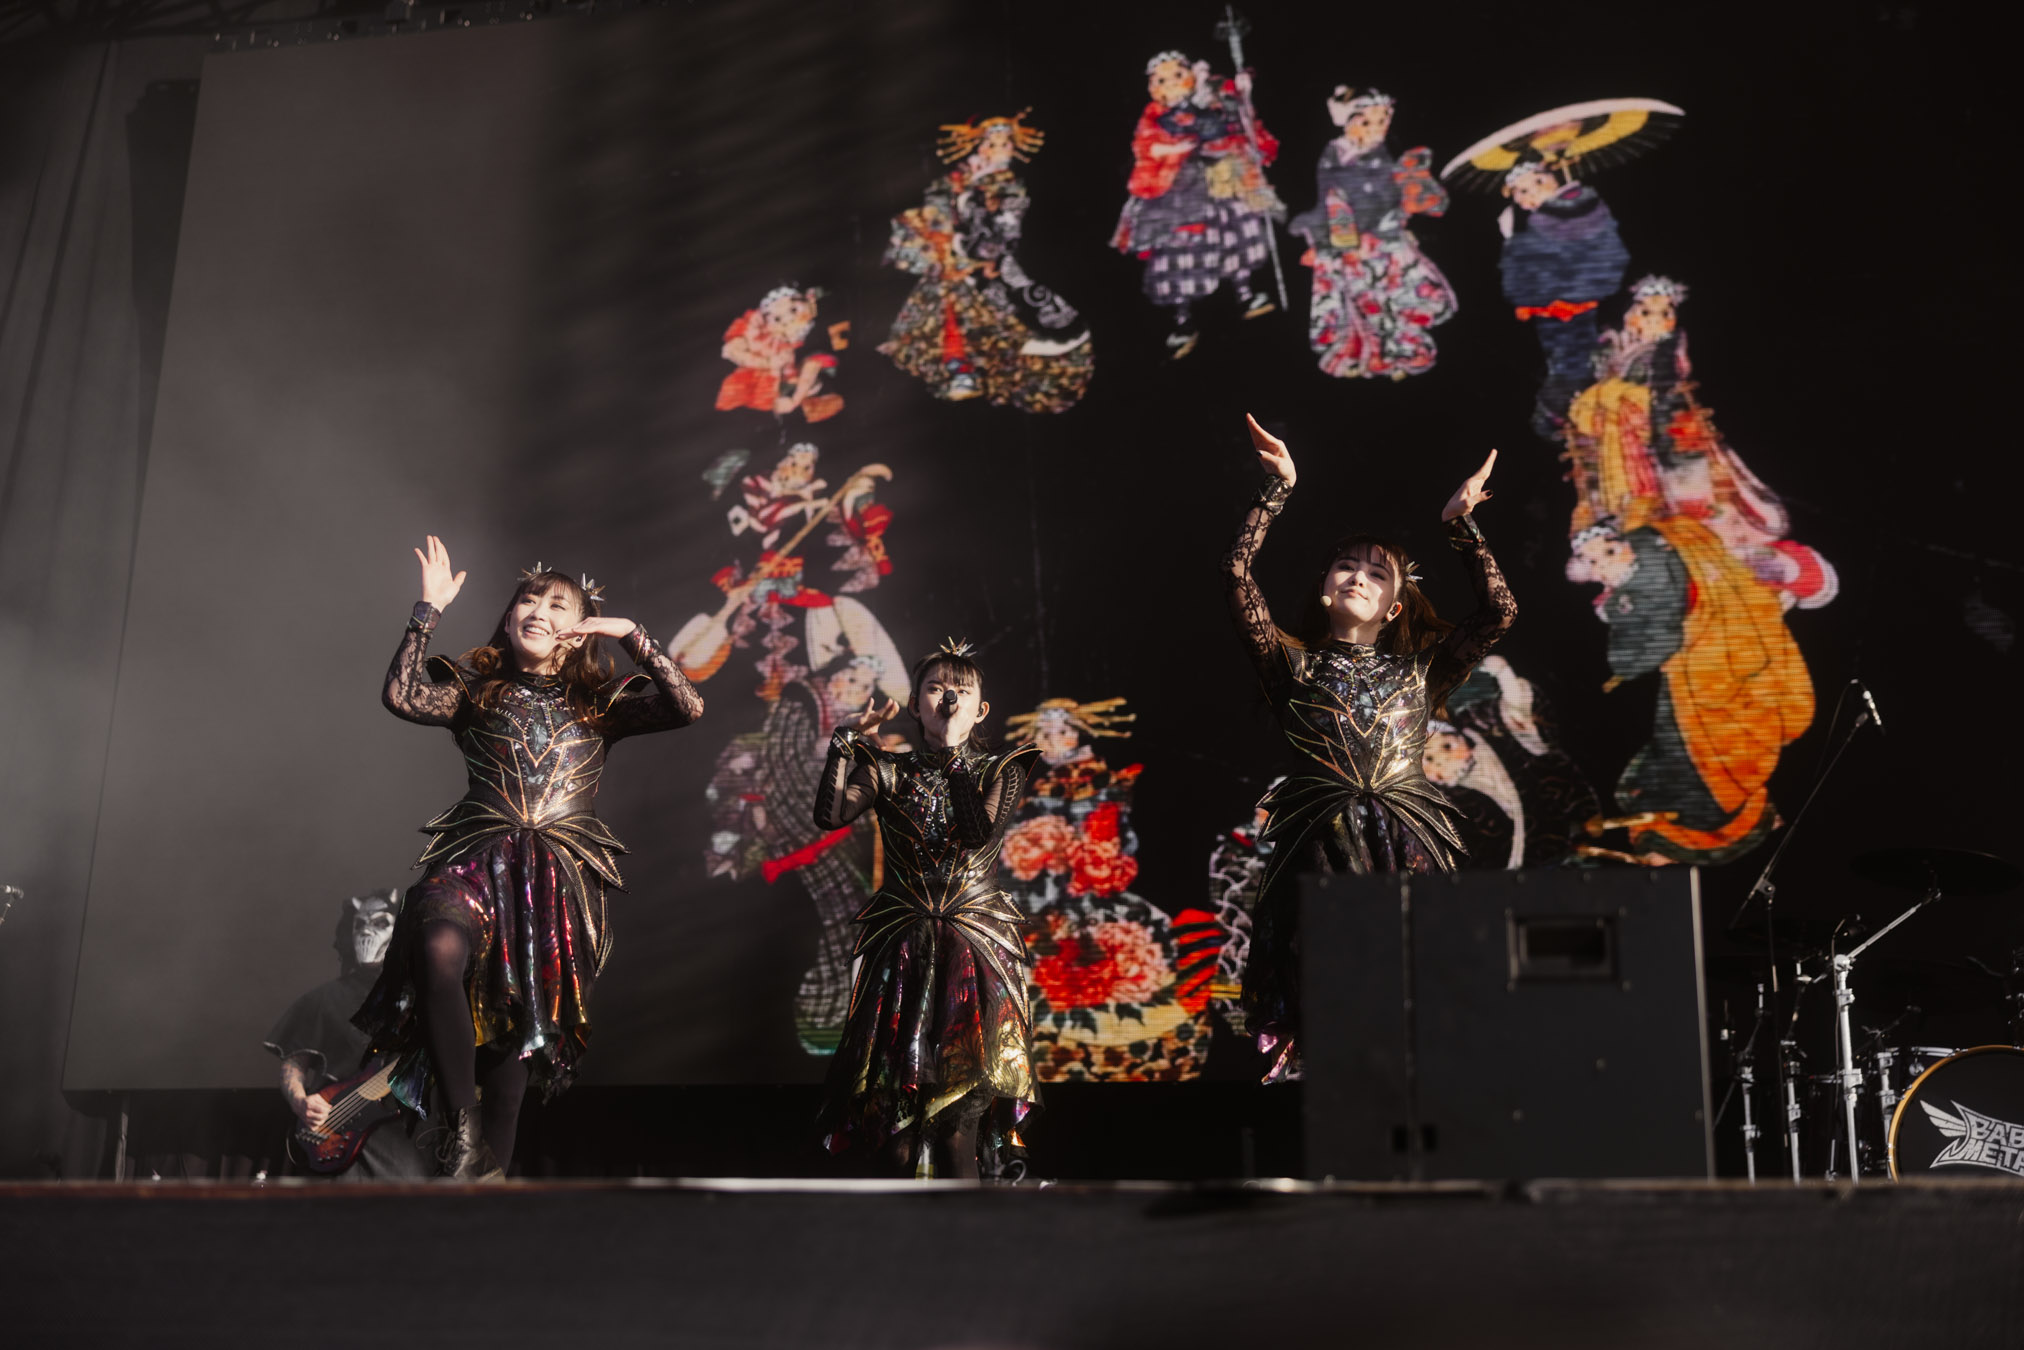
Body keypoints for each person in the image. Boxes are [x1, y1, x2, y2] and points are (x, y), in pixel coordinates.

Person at [354, 538, 704, 1179]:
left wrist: (633, 635)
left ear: (580, 628)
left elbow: (689, 706)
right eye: (528, 600)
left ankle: (482, 1190)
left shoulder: (599, 705)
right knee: (436, 943)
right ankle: (460, 1125)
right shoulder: (477, 691)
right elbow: (402, 696)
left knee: (511, 1068)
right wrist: (427, 611)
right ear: (509, 616)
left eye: (557, 604)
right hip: (473, 858)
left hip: (552, 884)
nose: (538, 610)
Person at [1223, 415, 1515, 1081]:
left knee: (1411, 1013)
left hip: (1404, 848)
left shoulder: (1422, 672)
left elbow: (1499, 612)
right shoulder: (1291, 666)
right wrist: (1277, 489)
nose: (1358, 576)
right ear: (1325, 585)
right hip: (1319, 854)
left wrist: (1461, 526)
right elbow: (1235, 573)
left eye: (1377, 574)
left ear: (1394, 606)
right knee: (1330, 1015)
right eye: (1346, 566)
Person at [811, 642, 1040, 1179]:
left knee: (960, 1120)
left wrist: (956, 752)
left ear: (981, 709)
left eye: (962, 690)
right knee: (896, 1132)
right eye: (936, 688)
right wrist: (844, 741)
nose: (949, 698)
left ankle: (970, 1219)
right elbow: (830, 815)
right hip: (903, 948)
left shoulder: (1000, 769)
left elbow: (976, 833)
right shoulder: (889, 770)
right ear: (915, 704)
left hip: (973, 950)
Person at [879, 111, 1093, 412]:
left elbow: (1004, 230)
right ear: (981, 146)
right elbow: (937, 205)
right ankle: (960, 372)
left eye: (1006, 143)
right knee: (946, 314)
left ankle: (984, 371)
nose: (999, 148)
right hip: (954, 261)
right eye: (992, 143)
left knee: (992, 320)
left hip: (987, 264)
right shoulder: (961, 177)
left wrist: (966, 240)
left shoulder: (1009, 185)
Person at [1111, 52, 1284, 359]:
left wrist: (1243, 95)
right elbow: (1146, 144)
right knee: (1181, 253)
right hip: (1177, 191)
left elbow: (1236, 124)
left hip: (1219, 181)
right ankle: (1183, 321)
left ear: (1190, 75)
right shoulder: (1155, 113)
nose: (1171, 83)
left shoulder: (1213, 96)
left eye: (1178, 75)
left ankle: (1245, 294)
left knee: (1236, 234)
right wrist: (1174, 147)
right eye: (1162, 79)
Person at [1287, 86, 1456, 380]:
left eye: (1382, 121)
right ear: (1348, 122)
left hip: (1384, 239)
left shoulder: (1381, 155)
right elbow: (1329, 197)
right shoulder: (1333, 154)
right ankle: (1374, 354)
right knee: (1365, 300)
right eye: (1367, 122)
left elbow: (1390, 195)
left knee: (1397, 296)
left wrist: (1401, 208)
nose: (1376, 129)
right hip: (1349, 243)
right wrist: (1319, 232)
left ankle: (1407, 350)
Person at [266, 888, 431, 1180]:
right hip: (331, 1133)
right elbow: (294, 1064)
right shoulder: (322, 999)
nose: (366, 931)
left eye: (380, 923)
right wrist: (300, 1101)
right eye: (359, 924)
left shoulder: (425, 995)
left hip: (400, 1137)